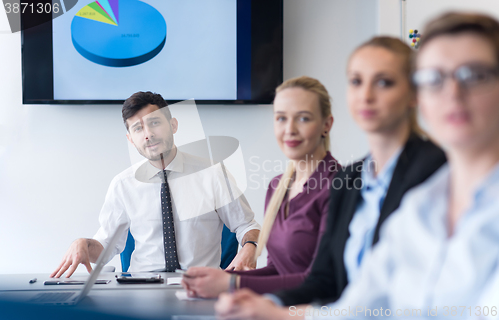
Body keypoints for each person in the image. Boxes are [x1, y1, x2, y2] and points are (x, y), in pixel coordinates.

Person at [215, 12, 499, 320]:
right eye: (434, 79)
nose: (452, 94)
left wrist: (255, 296)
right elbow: (359, 300)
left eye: (474, 75)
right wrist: (269, 307)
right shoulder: (421, 204)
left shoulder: (423, 175)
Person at [51, 92, 260, 278]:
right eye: (138, 128)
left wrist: (250, 248)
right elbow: (106, 246)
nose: (148, 134)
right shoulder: (123, 185)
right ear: (130, 139)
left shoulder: (213, 174)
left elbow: (247, 226)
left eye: (154, 123)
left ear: (173, 125)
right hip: (141, 290)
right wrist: (83, 244)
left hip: (200, 286)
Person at [181, 76, 339, 298]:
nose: (289, 129)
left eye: (303, 118)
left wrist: (232, 285)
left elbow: (321, 280)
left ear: (326, 125)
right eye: (281, 118)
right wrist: (226, 278)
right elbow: (278, 270)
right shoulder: (278, 186)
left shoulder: (339, 186)